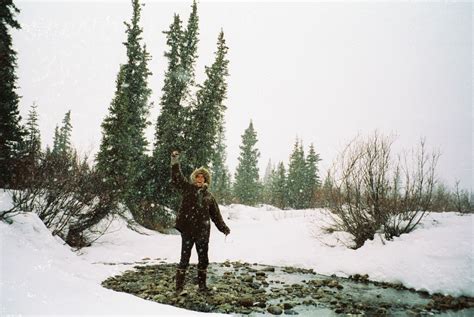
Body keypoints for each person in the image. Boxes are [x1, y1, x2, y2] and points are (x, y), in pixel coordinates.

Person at [170, 150, 230, 293]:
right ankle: (179, 287)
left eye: (202, 177)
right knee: (184, 258)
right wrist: (175, 161)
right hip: (187, 230)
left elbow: (216, 215)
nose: (200, 179)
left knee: (203, 259)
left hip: (203, 232)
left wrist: (224, 228)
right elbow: (177, 177)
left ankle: (202, 286)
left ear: (206, 180)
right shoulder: (187, 189)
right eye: (197, 176)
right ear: (194, 178)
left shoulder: (209, 197)